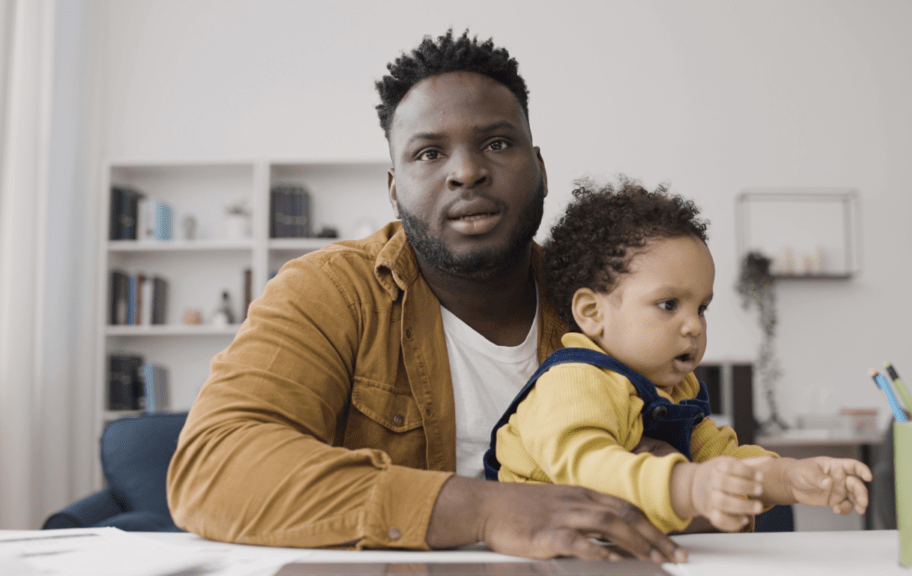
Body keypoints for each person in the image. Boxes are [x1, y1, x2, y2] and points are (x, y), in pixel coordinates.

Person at [167, 29, 687, 563]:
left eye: (497, 143)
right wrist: (485, 510)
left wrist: (675, 469)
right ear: (395, 189)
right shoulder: (326, 292)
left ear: (541, 168)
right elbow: (213, 467)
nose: (466, 172)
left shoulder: (611, 299)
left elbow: (688, 471)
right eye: (430, 152)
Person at [484, 178, 873, 534]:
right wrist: (688, 485)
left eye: (701, 308)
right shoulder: (574, 381)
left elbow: (723, 457)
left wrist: (789, 477)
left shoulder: (676, 388)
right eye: (669, 304)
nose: (694, 326)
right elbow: (589, 470)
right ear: (592, 313)